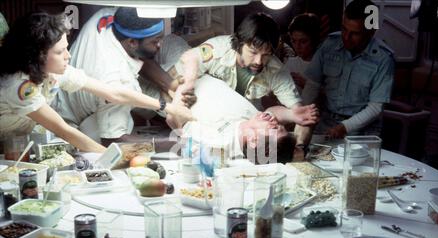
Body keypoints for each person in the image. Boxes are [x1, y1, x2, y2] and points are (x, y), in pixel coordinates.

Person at [0, 12, 192, 153]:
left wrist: (167, 107)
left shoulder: (52, 69)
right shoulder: (19, 86)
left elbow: (113, 93)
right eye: (60, 52)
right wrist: (108, 156)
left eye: (66, 48)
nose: (69, 56)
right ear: (37, 56)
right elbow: (64, 130)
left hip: (17, 135)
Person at [54, 7, 195, 145]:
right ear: (132, 42)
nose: (160, 45)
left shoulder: (108, 16)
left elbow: (138, 53)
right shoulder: (118, 79)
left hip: (67, 93)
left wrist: (168, 84)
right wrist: (174, 143)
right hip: (72, 123)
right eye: (155, 41)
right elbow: (113, 140)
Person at [176, 12, 319, 134]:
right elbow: (185, 64)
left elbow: (300, 113)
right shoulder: (217, 50)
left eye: (266, 54)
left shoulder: (276, 69)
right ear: (239, 43)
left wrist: (299, 147)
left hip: (240, 125)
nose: (259, 61)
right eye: (253, 52)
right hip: (201, 117)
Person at [298, 0, 395, 143]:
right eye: (344, 29)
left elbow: (376, 107)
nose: (346, 37)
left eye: (355, 33)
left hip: (363, 131)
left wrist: (345, 127)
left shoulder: (383, 59)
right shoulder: (329, 45)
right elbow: (312, 85)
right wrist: (301, 115)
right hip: (326, 122)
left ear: (371, 31)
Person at [172, 75, 297, 164]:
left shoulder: (215, 143)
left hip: (177, 81)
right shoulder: (252, 121)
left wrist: (184, 83)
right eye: (279, 124)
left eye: (274, 127)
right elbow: (273, 111)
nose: (274, 120)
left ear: (254, 140)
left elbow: (173, 118)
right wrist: (292, 114)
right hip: (204, 71)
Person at [284, 13, 321, 93]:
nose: (297, 46)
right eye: (293, 41)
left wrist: (306, 85)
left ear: (314, 40)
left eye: (303, 42)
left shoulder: (324, 66)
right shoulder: (291, 63)